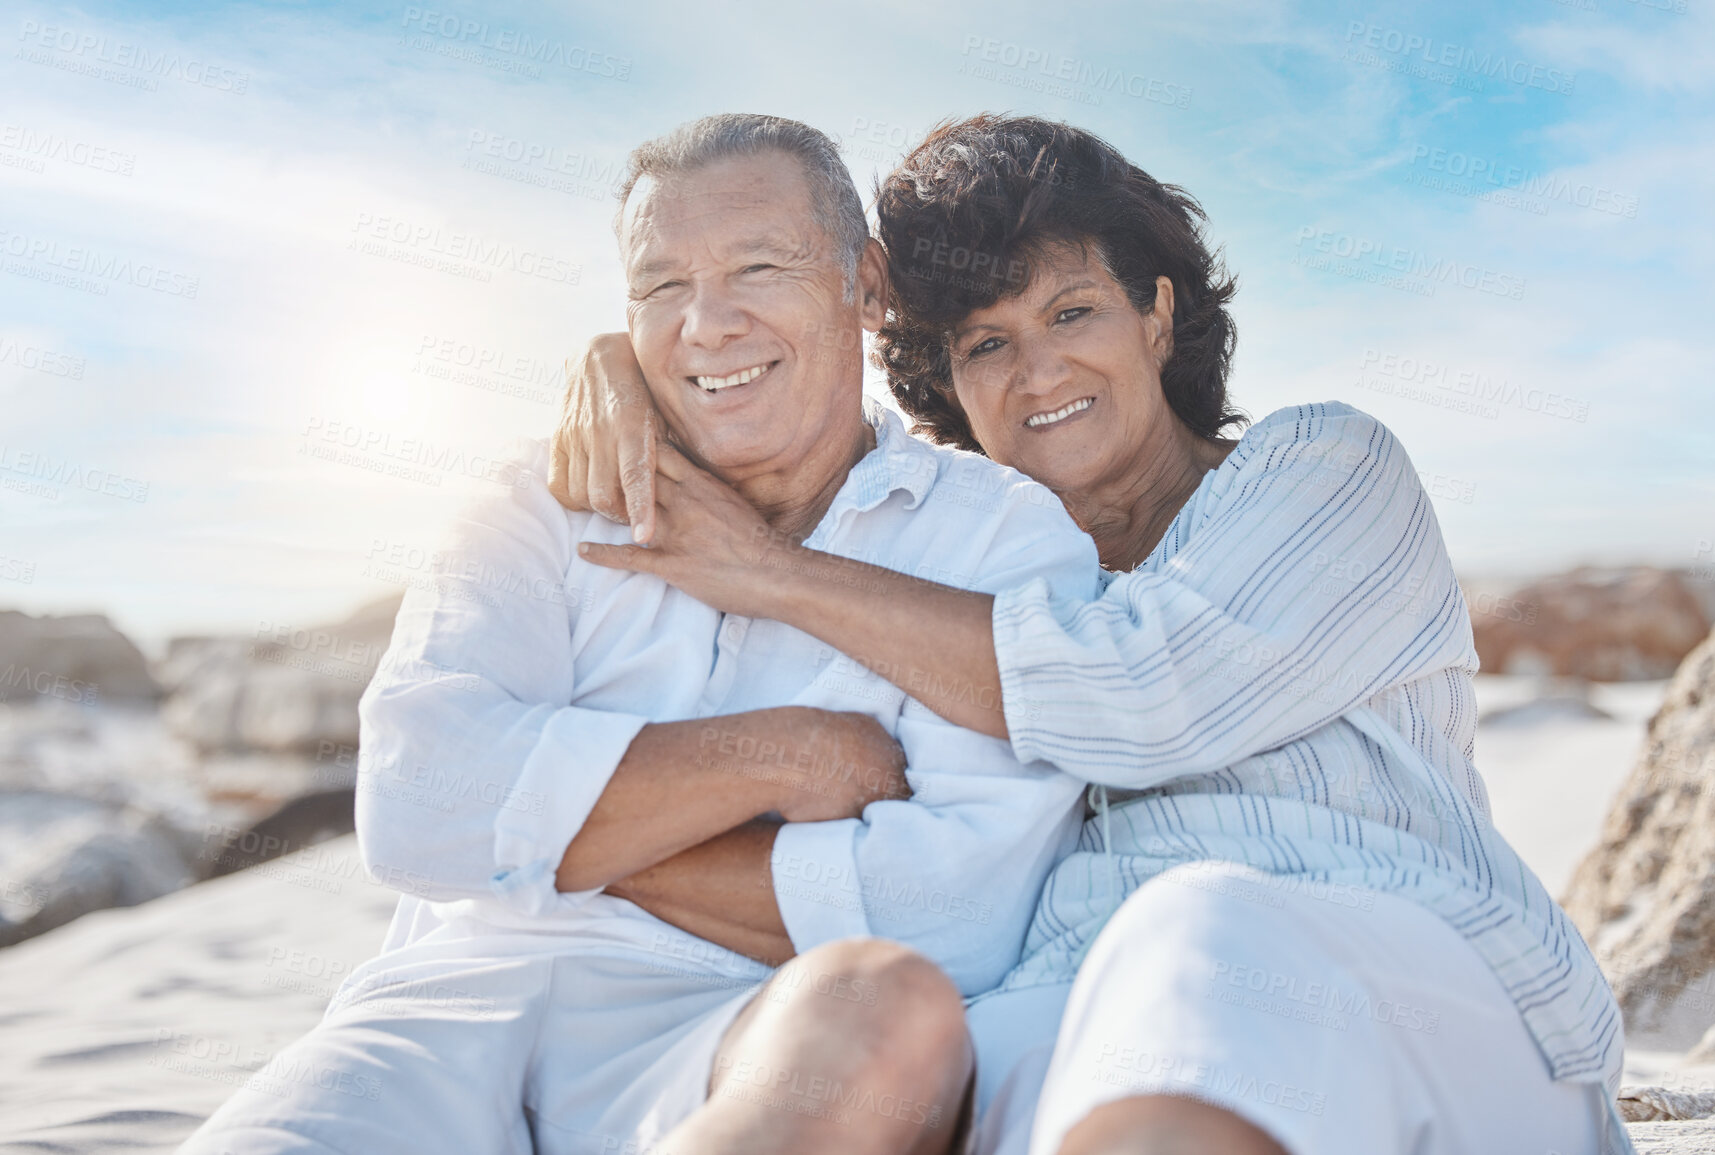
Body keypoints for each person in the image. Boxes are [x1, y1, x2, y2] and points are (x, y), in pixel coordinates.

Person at [554, 115, 1634, 1155]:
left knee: (1198, 934)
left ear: (1157, 317)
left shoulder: (1323, 472)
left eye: (1072, 313)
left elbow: (1147, 694)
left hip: (1413, 988)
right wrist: (622, 364)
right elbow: (900, 877)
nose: (1038, 372)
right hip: (1072, 1008)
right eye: (985, 343)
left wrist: (772, 578)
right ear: (950, 390)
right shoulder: (940, 573)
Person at [180, 114, 1101, 1155]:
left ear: (867, 286)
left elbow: (950, 914)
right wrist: (787, 755)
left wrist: (539, 841)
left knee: (887, 1006)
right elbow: (413, 806)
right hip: (456, 1000)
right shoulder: (537, 500)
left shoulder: (999, 536)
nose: (706, 324)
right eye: (663, 286)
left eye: (759, 265)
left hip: (736, 1019)